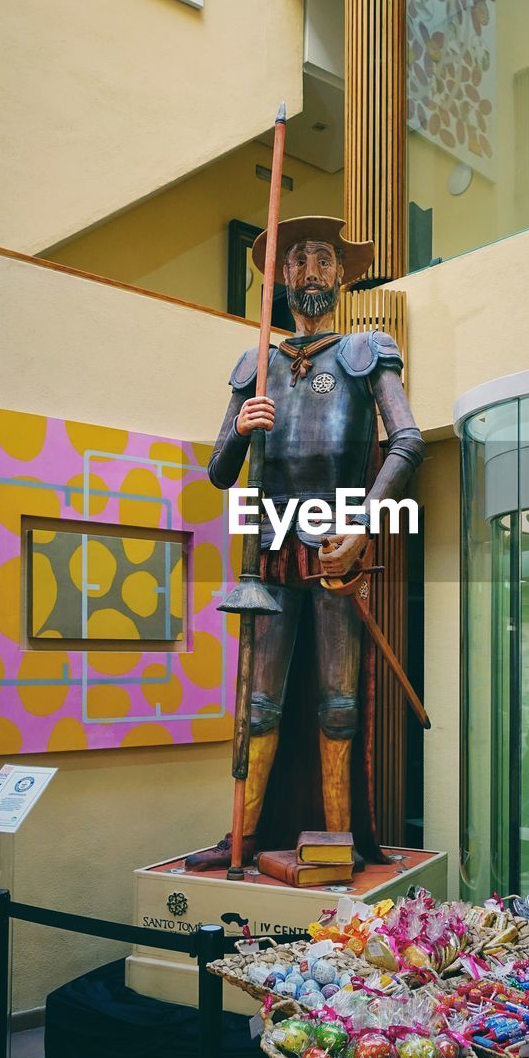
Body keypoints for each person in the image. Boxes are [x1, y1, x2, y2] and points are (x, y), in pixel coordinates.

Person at [186, 217, 424, 871]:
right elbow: (216, 471)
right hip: (269, 546)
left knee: (337, 700)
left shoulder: (365, 348)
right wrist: (241, 425)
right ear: (278, 278)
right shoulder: (255, 363)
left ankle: (339, 839)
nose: (309, 270)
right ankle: (241, 839)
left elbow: (406, 441)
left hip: (333, 545)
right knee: (260, 701)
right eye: (296, 261)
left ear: (341, 274)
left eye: (321, 258)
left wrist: (361, 525)